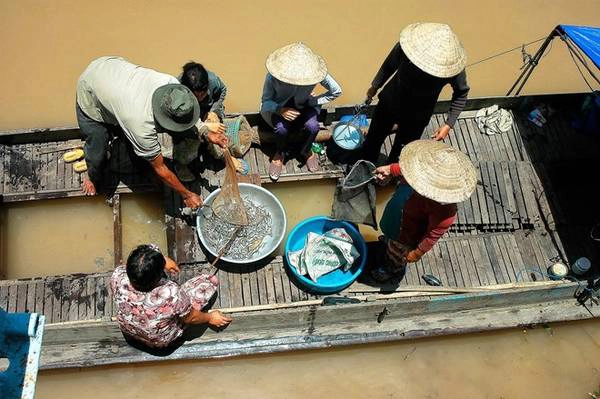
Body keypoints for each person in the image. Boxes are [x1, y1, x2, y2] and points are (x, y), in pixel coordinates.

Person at [76, 56, 225, 207]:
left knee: (123, 126)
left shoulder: (173, 85)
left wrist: (206, 132)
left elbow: (186, 115)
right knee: (97, 148)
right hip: (91, 88)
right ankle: (92, 177)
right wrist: (186, 195)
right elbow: (160, 167)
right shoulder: (141, 126)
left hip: (113, 70)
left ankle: (119, 133)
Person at [361, 23, 470, 164]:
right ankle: (365, 164)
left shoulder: (450, 67)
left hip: (416, 117)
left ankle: (390, 175)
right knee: (372, 140)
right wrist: (375, 86)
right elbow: (389, 65)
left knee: (401, 153)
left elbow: (461, 93)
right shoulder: (407, 48)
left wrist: (448, 124)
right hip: (389, 103)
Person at [371, 140, 476, 281]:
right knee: (389, 232)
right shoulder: (417, 172)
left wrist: (416, 253)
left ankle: (391, 269)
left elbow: (431, 236)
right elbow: (408, 168)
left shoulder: (445, 211)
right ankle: (389, 240)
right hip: (397, 210)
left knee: (397, 254)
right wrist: (391, 169)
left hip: (406, 233)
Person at [111, 244, 232, 348]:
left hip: (131, 332)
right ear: (159, 277)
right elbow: (191, 318)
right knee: (210, 281)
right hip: (159, 341)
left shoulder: (118, 276)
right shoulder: (171, 293)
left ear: (127, 266)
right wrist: (210, 317)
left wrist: (163, 259)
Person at [260, 42, 342, 181]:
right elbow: (265, 102)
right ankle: (280, 153)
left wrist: (314, 101)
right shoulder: (272, 78)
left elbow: (336, 91)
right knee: (281, 130)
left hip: (304, 106)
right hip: (280, 108)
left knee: (313, 127)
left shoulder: (314, 74)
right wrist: (280, 110)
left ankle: (306, 150)